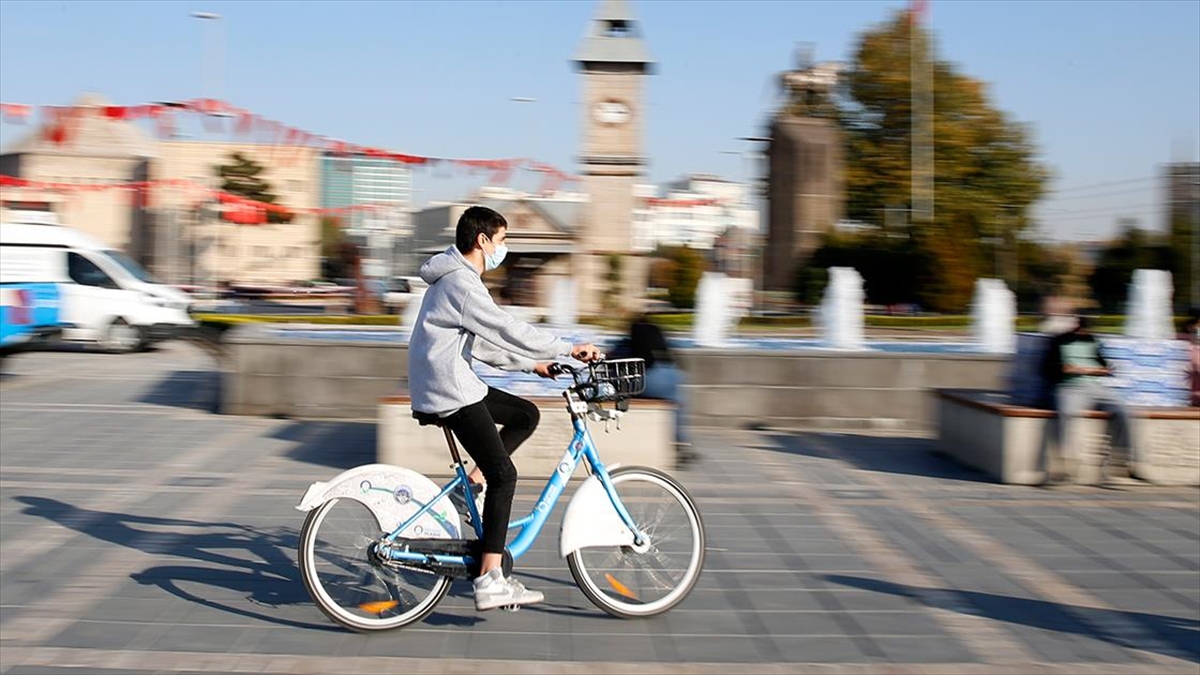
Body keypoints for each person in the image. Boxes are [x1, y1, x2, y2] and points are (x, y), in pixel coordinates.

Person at [407, 205, 600, 611]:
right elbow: (506, 328)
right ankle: (490, 578)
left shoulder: (457, 280)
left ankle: (471, 485)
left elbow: (488, 344)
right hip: (450, 391)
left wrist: (534, 364)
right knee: (506, 476)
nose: (504, 248)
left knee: (525, 414)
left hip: (452, 383)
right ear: (483, 241)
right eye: (503, 240)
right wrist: (569, 346)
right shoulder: (462, 283)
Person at [1040, 314, 1136, 485]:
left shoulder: (1093, 341)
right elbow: (1047, 369)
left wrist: (1106, 368)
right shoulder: (1058, 342)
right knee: (1066, 413)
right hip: (1070, 387)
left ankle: (1120, 463)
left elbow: (1102, 363)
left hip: (1096, 387)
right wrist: (1063, 370)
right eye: (1080, 328)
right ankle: (1064, 464)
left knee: (1124, 411)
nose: (1083, 332)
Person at [626, 311, 696, 464]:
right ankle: (680, 444)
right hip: (670, 375)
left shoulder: (633, 333)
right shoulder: (657, 331)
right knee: (677, 402)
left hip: (645, 380)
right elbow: (674, 355)